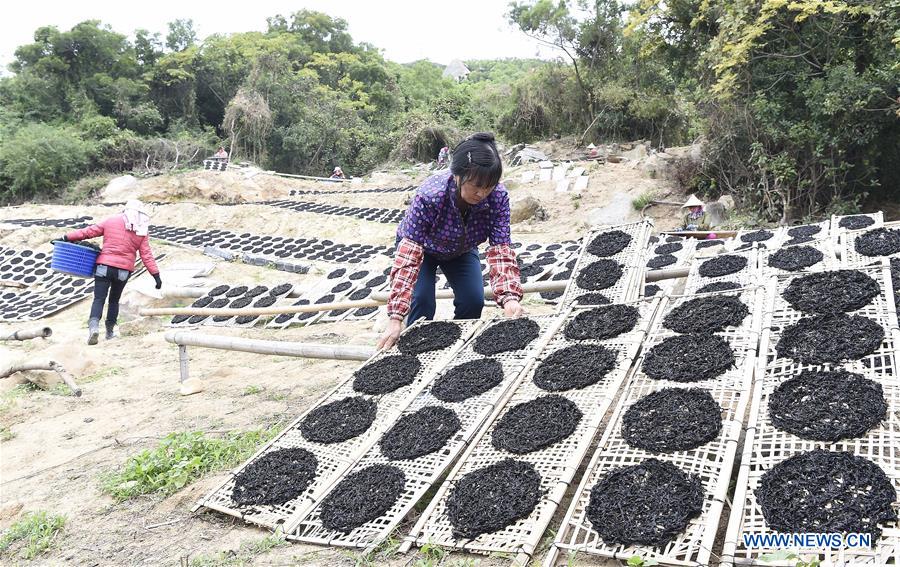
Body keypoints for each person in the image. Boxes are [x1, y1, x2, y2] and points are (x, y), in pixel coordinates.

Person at [377, 132, 524, 350]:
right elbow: (409, 255)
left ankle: (456, 349)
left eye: (489, 186)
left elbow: (500, 248)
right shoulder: (431, 195)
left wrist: (510, 298)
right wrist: (396, 317)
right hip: (422, 249)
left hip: (461, 250)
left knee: (473, 300)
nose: (482, 193)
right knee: (422, 301)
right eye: (476, 185)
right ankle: (414, 349)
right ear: (457, 174)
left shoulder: (498, 197)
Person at [57, 200, 161, 345]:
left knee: (99, 299)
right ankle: (110, 332)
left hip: (104, 267)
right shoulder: (141, 229)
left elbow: (88, 232)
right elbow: (146, 255)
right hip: (123, 271)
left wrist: (66, 237)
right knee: (114, 300)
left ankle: (94, 327)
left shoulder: (111, 220)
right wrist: (156, 276)